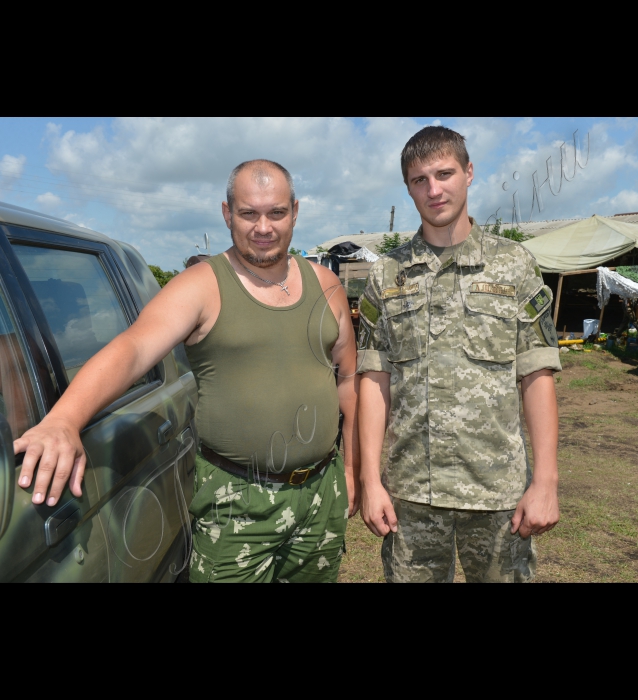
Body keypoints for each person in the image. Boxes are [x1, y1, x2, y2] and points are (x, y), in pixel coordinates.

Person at [14, 159, 360, 583]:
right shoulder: (201, 285)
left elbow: (347, 381)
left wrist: (350, 470)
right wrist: (64, 419)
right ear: (227, 212)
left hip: (321, 493)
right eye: (249, 213)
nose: (264, 227)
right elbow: (134, 348)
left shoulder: (327, 286)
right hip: (236, 501)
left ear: (295, 211)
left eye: (277, 212)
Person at [357, 126, 561, 583]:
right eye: (419, 180)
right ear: (407, 187)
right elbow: (374, 381)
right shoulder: (387, 275)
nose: (433, 189)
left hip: (496, 493)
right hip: (411, 494)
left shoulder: (513, 264)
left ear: (468, 173)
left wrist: (545, 482)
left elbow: (537, 374)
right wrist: (371, 481)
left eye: (444, 173)